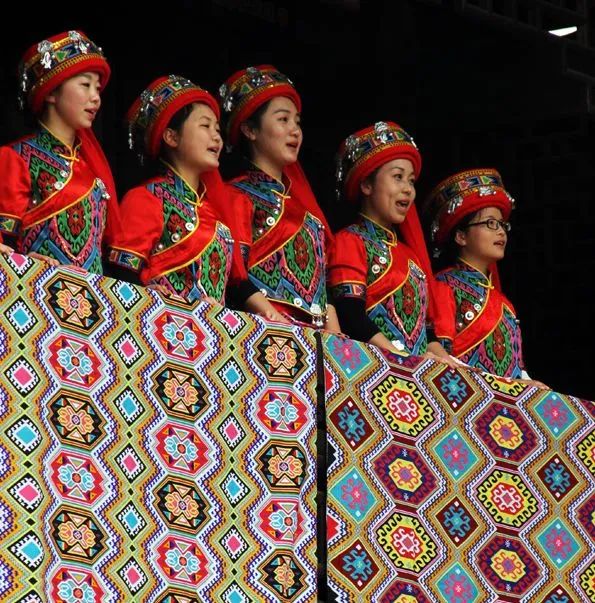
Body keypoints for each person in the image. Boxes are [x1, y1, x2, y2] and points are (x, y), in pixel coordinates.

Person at [219, 64, 340, 329]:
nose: (295, 130)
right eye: (283, 120)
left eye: (297, 122)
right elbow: (234, 274)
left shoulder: (308, 213)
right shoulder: (237, 195)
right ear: (250, 130)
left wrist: (336, 336)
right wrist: (275, 318)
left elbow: (323, 288)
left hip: (317, 338)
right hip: (264, 330)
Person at [108, 75, 242, 304]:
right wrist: (154, 297)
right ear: (171, 137)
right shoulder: (146, 198)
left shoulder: (215, 211)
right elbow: (122, 275)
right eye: (205, 126)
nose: (216, 137)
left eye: (217, 129)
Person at [328, 121, 452, 361]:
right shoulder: (350, 241)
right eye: (398, 177)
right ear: (367, 184)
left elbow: (427, 332)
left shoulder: (411, 256)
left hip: (412, 369)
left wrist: (447, 361)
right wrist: (400, 358)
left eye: (411, 181)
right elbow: (351, 315)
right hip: (372, 367)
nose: (408, 189)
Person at [0, 30, 119, 272]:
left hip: (92, 292)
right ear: (52, 92)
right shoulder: (17, 157)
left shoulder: (92, 168)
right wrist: (24, 262)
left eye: (97, 89)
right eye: (85, 85)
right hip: (36, 289)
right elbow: (5, 242)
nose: (95, 97)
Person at [426, 167, 544, 383]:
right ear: (461, 236)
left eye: (502, 225)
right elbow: (441, 357)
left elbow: (517, 372)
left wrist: (530, 384)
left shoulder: (506, 306)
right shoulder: (444, 285)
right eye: (490, 223)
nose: (500, 231)